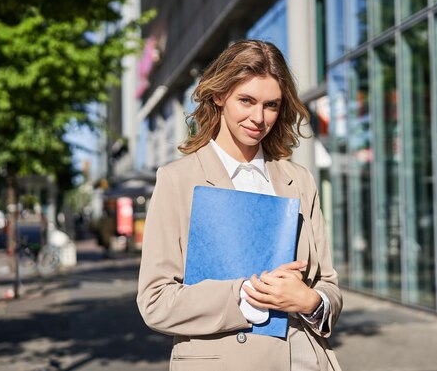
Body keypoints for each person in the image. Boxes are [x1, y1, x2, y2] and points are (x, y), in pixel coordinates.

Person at [137, 40, 343, 371]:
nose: (258, 118)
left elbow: (328, 285)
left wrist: (310, 301)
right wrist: (244, 294)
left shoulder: (299, 180)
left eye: (271, 105)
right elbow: (155, 301)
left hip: (302, 360)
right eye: (246, 100)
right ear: (219, 95)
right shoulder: (178, 180)